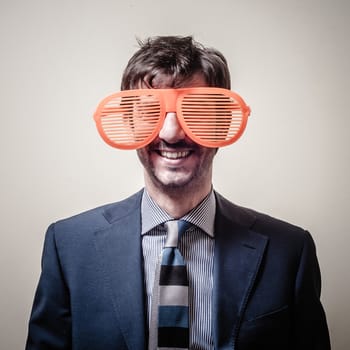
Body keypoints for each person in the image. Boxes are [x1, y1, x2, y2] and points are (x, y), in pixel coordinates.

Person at [26, 36, 331, 350]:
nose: (171, 133)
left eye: (195, 111)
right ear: (130, 124)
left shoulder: (289, 251)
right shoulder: (69, 246)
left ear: (221, 122)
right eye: (149, 111)